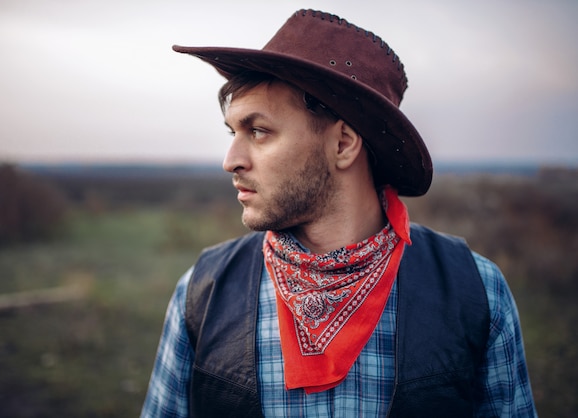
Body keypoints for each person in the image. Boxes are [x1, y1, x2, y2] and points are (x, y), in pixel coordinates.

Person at [141, 9, 537, 418]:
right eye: (233, 133)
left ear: (344, 144)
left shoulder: (475, 290)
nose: (231, 160)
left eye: (258, 130)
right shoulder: (203, 289)